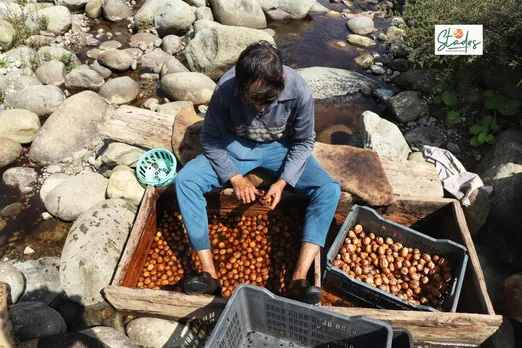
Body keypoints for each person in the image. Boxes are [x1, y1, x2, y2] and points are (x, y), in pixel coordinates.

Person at [175, 41, 341, 304]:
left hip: (281, 148)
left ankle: (298, 279)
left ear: (281, 79)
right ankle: (209, 274)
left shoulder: (298, 89)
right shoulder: (226, 88)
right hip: (235, 145)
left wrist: (284, 181)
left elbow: (303, 142)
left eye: (266, 101)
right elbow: (210, 138)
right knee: (185, 181)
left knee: (329, 189)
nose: (260, 110)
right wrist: (234, 177)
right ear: (240, 85)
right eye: (253, 101)